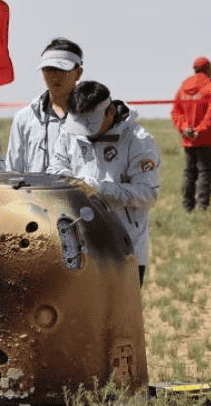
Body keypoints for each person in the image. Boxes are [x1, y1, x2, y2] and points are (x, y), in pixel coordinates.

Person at [48, 81, 160, 285]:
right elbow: (55, 167)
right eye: (78, 123)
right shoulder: (70, 131)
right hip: (76, 247)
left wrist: (102, 189)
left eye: (90, 124)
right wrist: (70, 181)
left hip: (123, 250)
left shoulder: (138, 140)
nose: (84, 131)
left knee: (119, 316)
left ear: (110, 111)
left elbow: (148, 194)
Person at [6, 38, 84, 173]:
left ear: (78, 73)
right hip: (33, 193)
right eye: (49, 69)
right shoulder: (24, 118)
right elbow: (12, 170)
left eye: (62, 69)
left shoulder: (94, 115)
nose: (55, 76)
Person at [171, 56, 211, 212]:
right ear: (208, 69)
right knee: (204, 174)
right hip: (206, 139)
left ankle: (187, 207)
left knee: (190, 173)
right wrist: (199, 131)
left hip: (189, 140)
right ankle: (202, 208)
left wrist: (185, 129)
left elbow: (175, 112)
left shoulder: (184, 87)